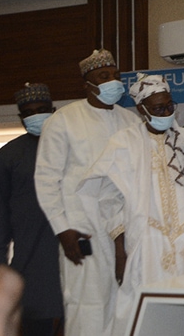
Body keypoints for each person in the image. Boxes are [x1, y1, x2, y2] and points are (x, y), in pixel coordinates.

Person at [77, 73, 184, 336]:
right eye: (159, 108)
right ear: (141, 109)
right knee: (145, 314)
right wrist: (119, 248)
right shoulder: (124, 143)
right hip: (146, 243)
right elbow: (105, 197)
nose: (167, 112)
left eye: (170, 105)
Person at [34, 49, 140, 336]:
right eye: (104, 76)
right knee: (88, 303)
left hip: (124, 228)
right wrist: (62, 228)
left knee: (124, 302)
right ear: (87, 84)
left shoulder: (131, 121)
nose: (113, 81)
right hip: (81, 226)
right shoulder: (64, 120)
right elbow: (46, 179)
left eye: (116, 75)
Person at [0, 83, 63, 336]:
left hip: (76, 258)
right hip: (32, 264)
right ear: (21, 118)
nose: (37, 115)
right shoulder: (7, 157)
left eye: (43, 109)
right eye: (29, 112)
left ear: (54, 110)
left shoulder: (72, 146)